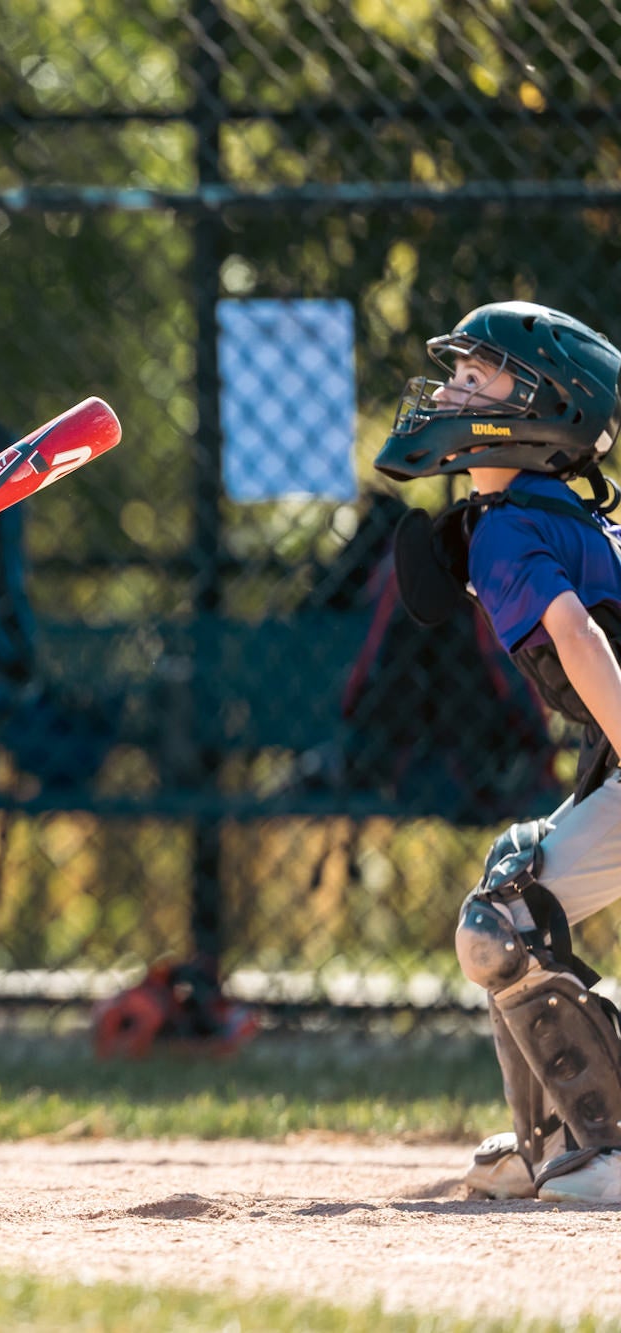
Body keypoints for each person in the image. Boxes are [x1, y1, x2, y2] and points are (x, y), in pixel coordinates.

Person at [376, 300, 621, 1204]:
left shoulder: (514, 526)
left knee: (501, 920)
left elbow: (582, 640)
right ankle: (555, 1131)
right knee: (511, 883)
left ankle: (607, 1146)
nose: (450, 390)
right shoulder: (535, 514)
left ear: (544, 409)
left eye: (476, 378)